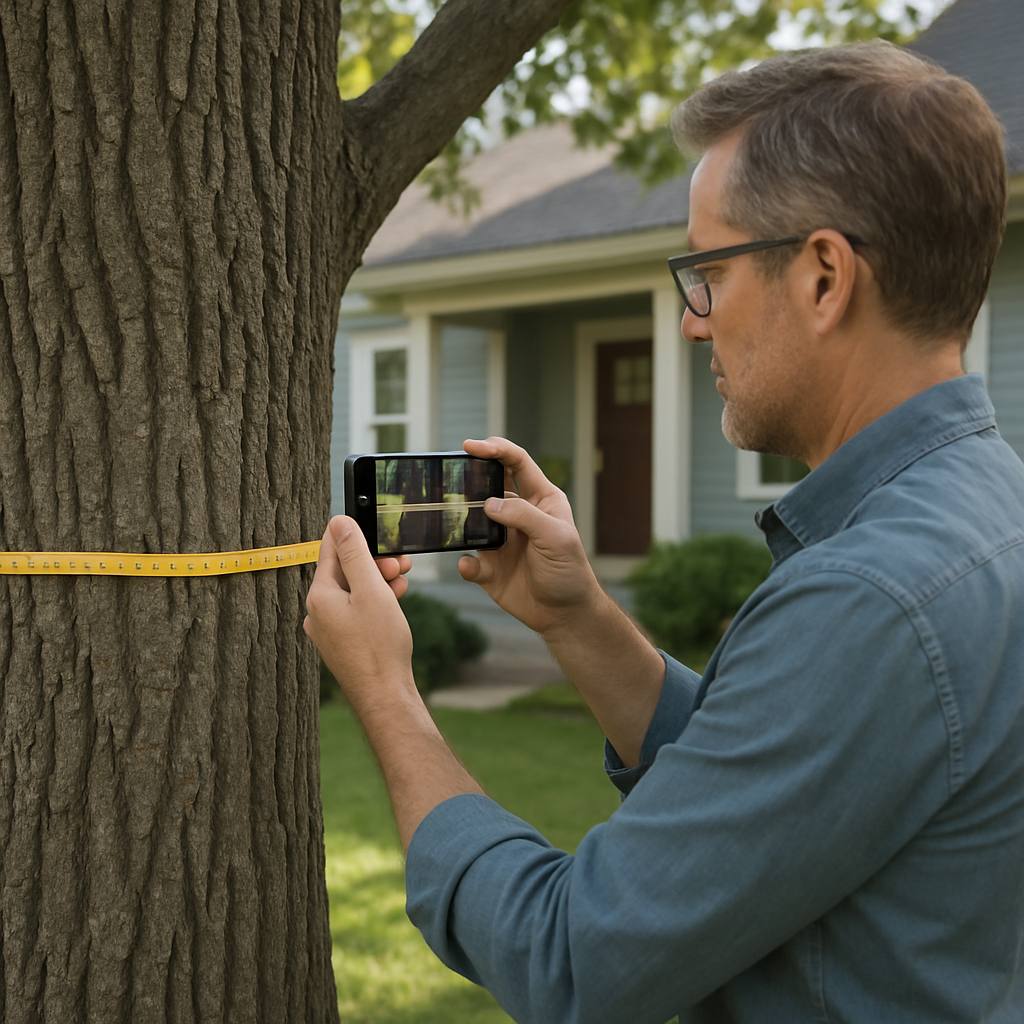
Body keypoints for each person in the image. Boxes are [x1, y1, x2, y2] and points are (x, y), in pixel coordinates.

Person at [304, 41, 1024, 1024]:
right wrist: (581, 619)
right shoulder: (986, 508)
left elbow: (571, 957)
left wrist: (387, 691)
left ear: (822, 277)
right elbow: (779, 779)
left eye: (707, 273)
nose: (692, 322)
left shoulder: (871, 597)